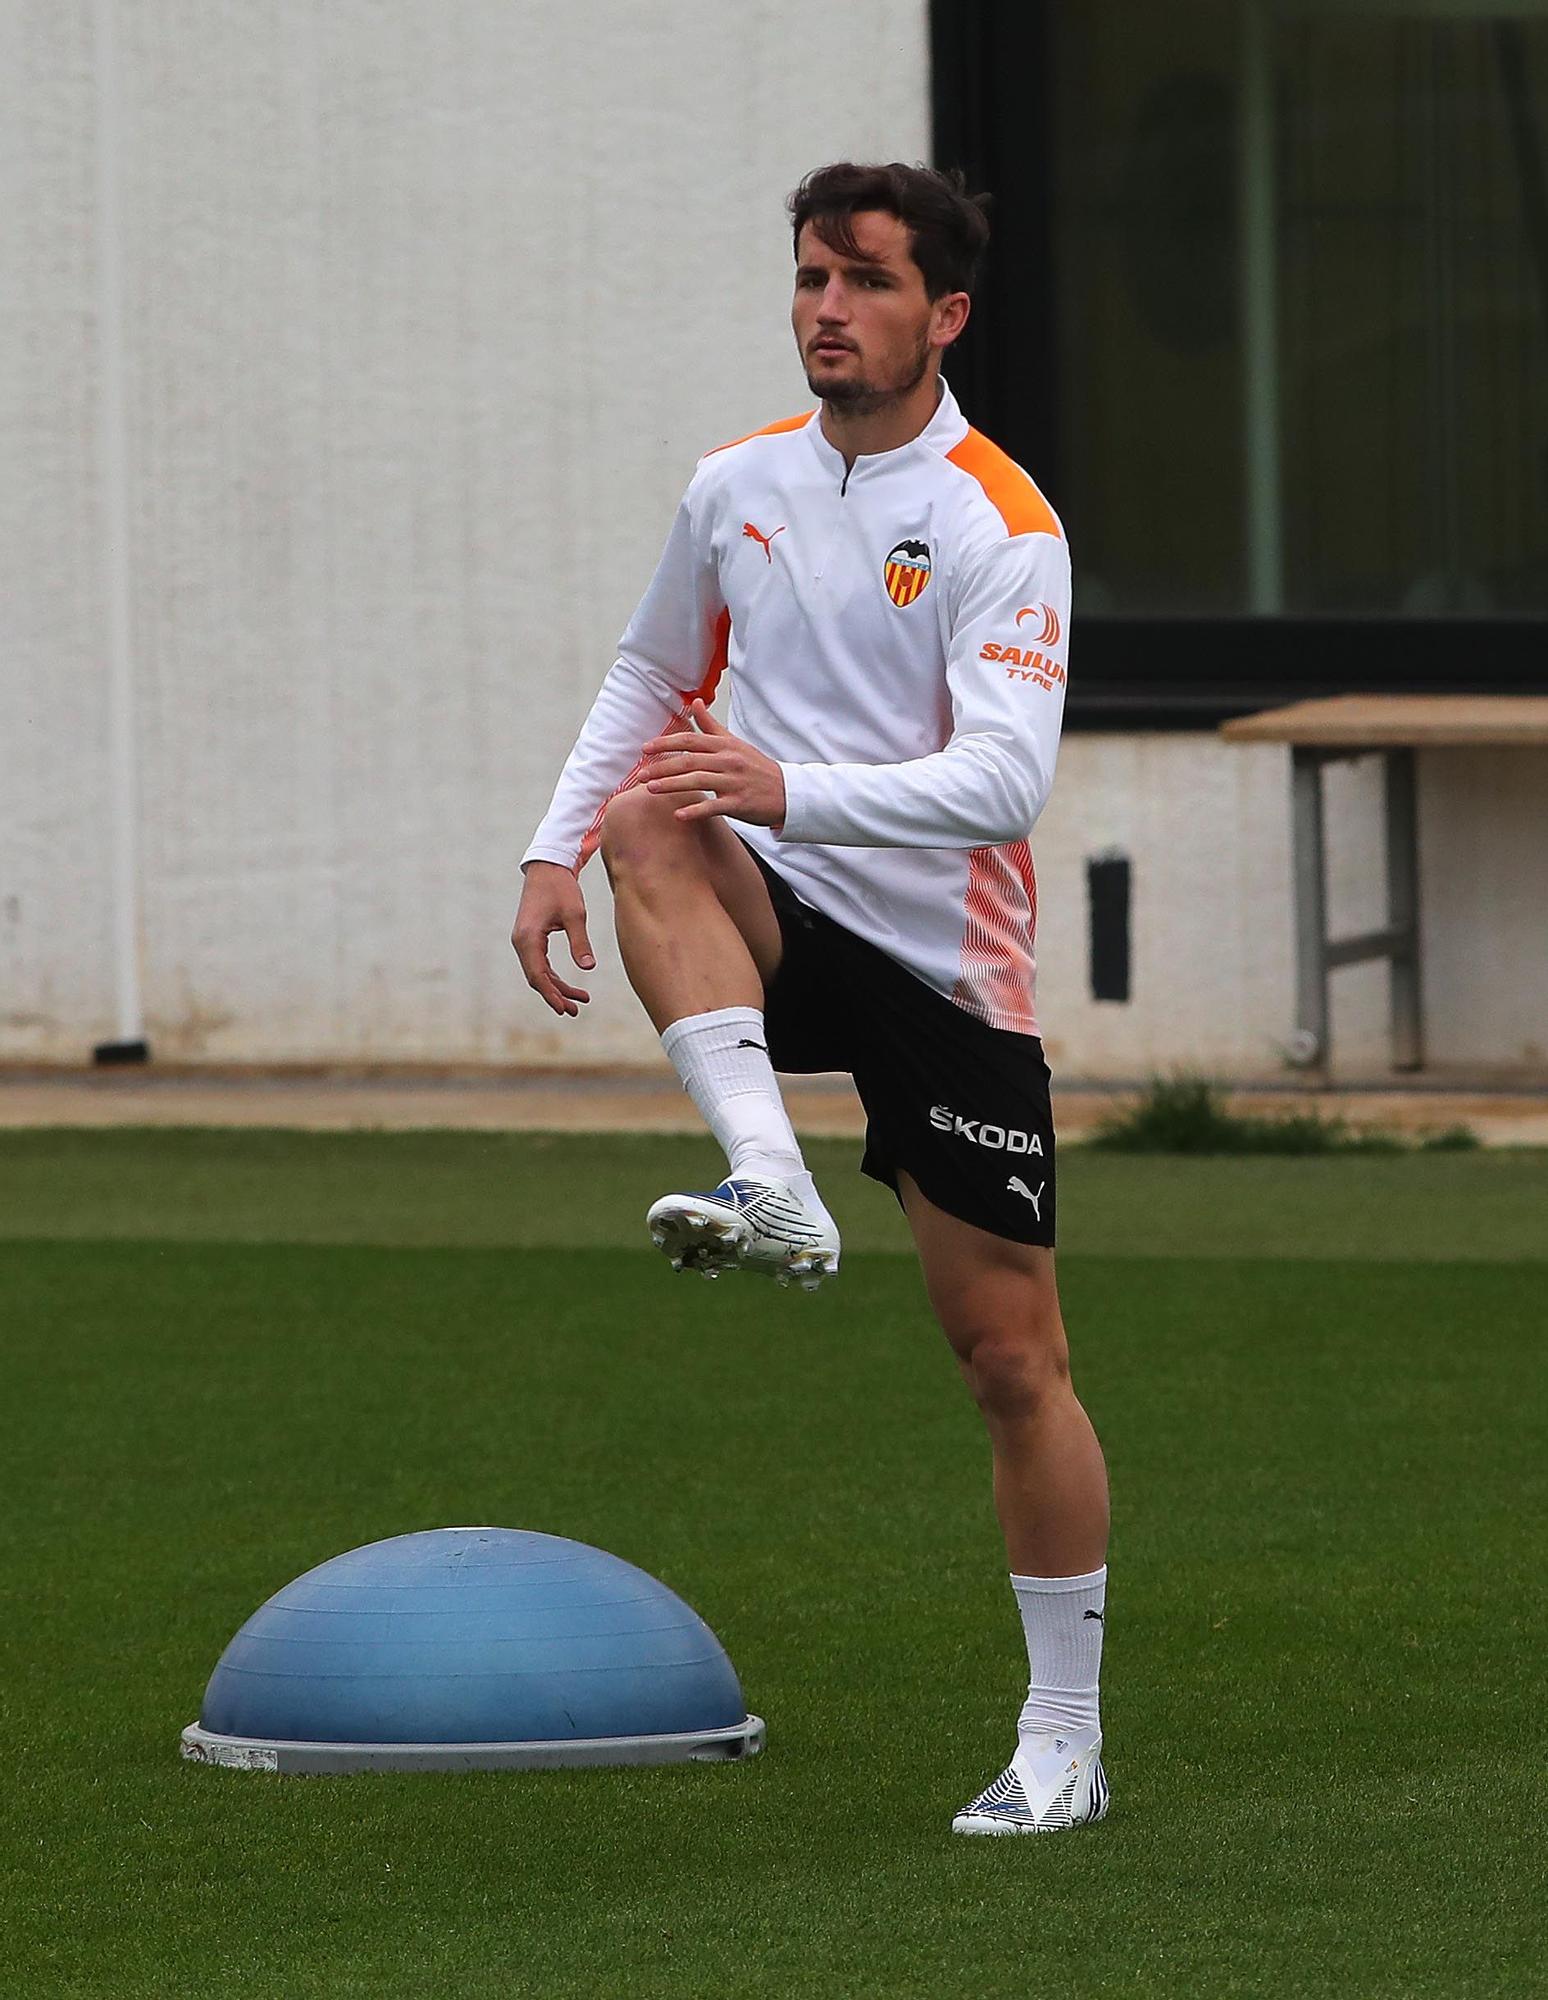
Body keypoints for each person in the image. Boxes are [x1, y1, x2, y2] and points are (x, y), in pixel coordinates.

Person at [512, 162, 1110, 1835]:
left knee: (1012, 1359)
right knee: (650, 815)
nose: (825, 309)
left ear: (946, 314)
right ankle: (767, 1178)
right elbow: (652, 671)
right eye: (806, 278)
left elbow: (1001, 783)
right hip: (770, 900)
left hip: (941, 962)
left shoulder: (1004, 521)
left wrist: (787, 787)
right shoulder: (735, 486)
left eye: (862, 280)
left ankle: (1065, 1732)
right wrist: (555, 853)